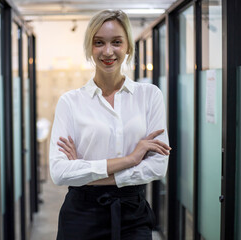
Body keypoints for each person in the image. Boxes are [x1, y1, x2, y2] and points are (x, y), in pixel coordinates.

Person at [49, 9, 170, 240]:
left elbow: (157, 166)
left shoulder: (149, 96)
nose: (108, 51)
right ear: (89, 47)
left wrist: (85, 171)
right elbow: (59, 172)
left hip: (132, 214)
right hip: (81, 215)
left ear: (128, 47)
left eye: (116, 42)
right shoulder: (70, 102)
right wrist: (130, 159)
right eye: (98, 43)